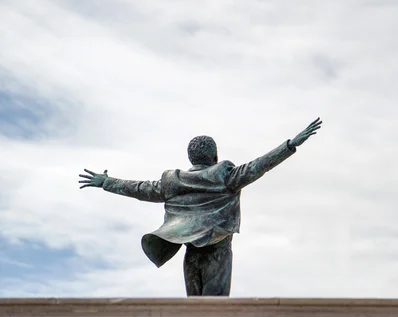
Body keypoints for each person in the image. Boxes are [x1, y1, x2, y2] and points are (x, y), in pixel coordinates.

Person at [79, 118, 322, 296]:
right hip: (218, 251)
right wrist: (290, 145)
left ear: (191, 159)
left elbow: (140, 188)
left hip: (190, 253)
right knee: (213, 311)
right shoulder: (225, 175)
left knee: (195, 310)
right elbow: (259, 166)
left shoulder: (172, 182)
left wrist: (108, 182)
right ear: (215, 157)